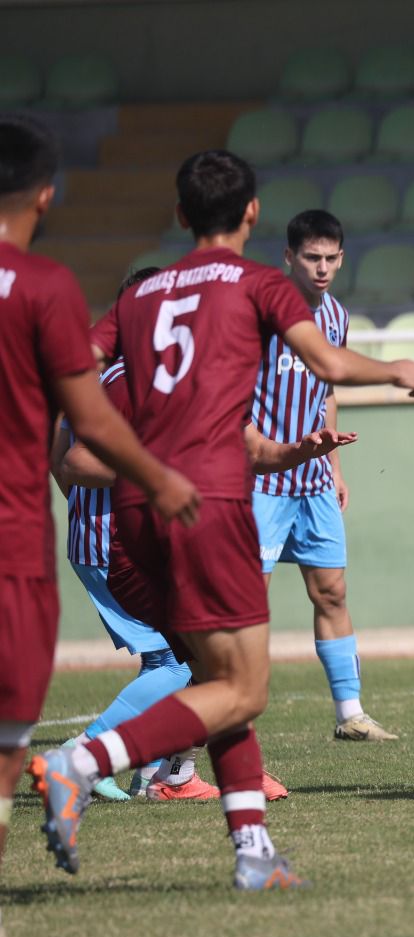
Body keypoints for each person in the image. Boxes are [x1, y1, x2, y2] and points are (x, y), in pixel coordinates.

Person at [30, 148, 414, 893]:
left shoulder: (142, 299)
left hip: (137, 512)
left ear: (180, 216)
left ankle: (252, 851)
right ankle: (80, 762)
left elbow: (75, 367)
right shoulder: (258, 286)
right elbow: (330, 365)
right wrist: (396, 369)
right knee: (243, 688)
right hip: (208, 504)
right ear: (251, 214)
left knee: (217, 675)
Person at [0, 114, 199, 937]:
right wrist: (159, 476)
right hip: (21, 543)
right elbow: (80, 438)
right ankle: (95, 761)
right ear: (47, 194)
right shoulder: (44, 291)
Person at [51, 268, 198, 803]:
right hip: (115, 546)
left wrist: (80, 509)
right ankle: (83, 756)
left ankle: (151, 769)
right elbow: (78, 458)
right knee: (181, 661)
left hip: (97, 537)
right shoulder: (129, 381)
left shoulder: (99, 377)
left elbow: (57, 456)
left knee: (170, 657)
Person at [252, 209, 393, 741]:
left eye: (331, 257)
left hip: (311, 479)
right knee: (247, 597)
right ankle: (228, 713)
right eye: (312, 257)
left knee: (331, 591)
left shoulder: (335, 315)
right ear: (288, 257)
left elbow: (327, 391)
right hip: (262, 475)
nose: (323, 267)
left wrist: (333, 465)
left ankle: (350, 713)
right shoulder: (261, 316)